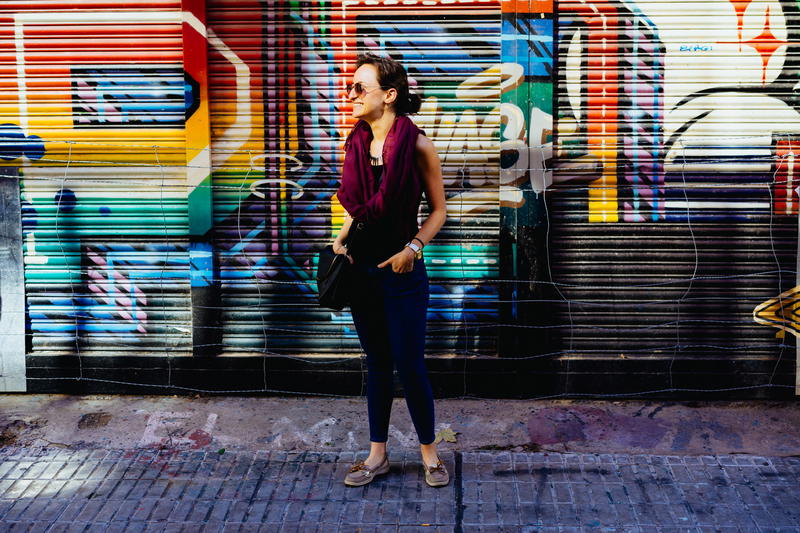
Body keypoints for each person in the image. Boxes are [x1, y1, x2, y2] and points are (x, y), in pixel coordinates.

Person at [332, 52, 448, 488]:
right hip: (362, 268)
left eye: (360, 87)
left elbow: (438, 211)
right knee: (377, 363)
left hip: (402, 271)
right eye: (351, 87)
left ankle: (430, 454)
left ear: (390, 94)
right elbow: (360, 204)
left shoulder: (418, 144)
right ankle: (376, 455)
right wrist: (343, 236)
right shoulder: (356, 142)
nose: (351, 95)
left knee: (410, 364)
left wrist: (413, 249)